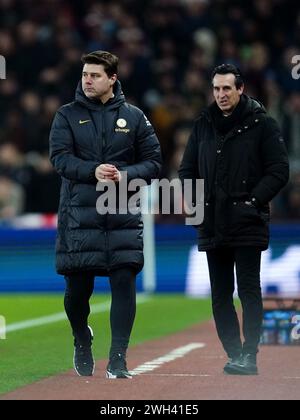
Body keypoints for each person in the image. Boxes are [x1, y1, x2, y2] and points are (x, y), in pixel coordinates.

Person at [49, 51, 162, 379]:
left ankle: (118, 359)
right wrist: (91, 171)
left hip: (121, 213)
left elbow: (154, 162)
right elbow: (59, 159)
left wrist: (125, 175)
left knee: (123, 281)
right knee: (76, 294)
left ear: (112, 78)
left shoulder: (136, 117)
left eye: (95, 75)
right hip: (79, 217)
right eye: (85, 74)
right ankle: (82, 337)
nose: (87, 80)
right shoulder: (66, 116)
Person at [179, 64, 289, 375]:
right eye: (216, 89)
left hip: (247, 221)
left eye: (227, 88)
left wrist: (253, 201)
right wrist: (194, 200)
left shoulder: (263, 124)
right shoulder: (203, 124)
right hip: (212, 221)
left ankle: (250, 355)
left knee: (249, 290)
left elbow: (279, 170)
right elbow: (187, 169)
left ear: (240, 89)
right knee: (220, 295)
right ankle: (234, 353)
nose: (221, 94)